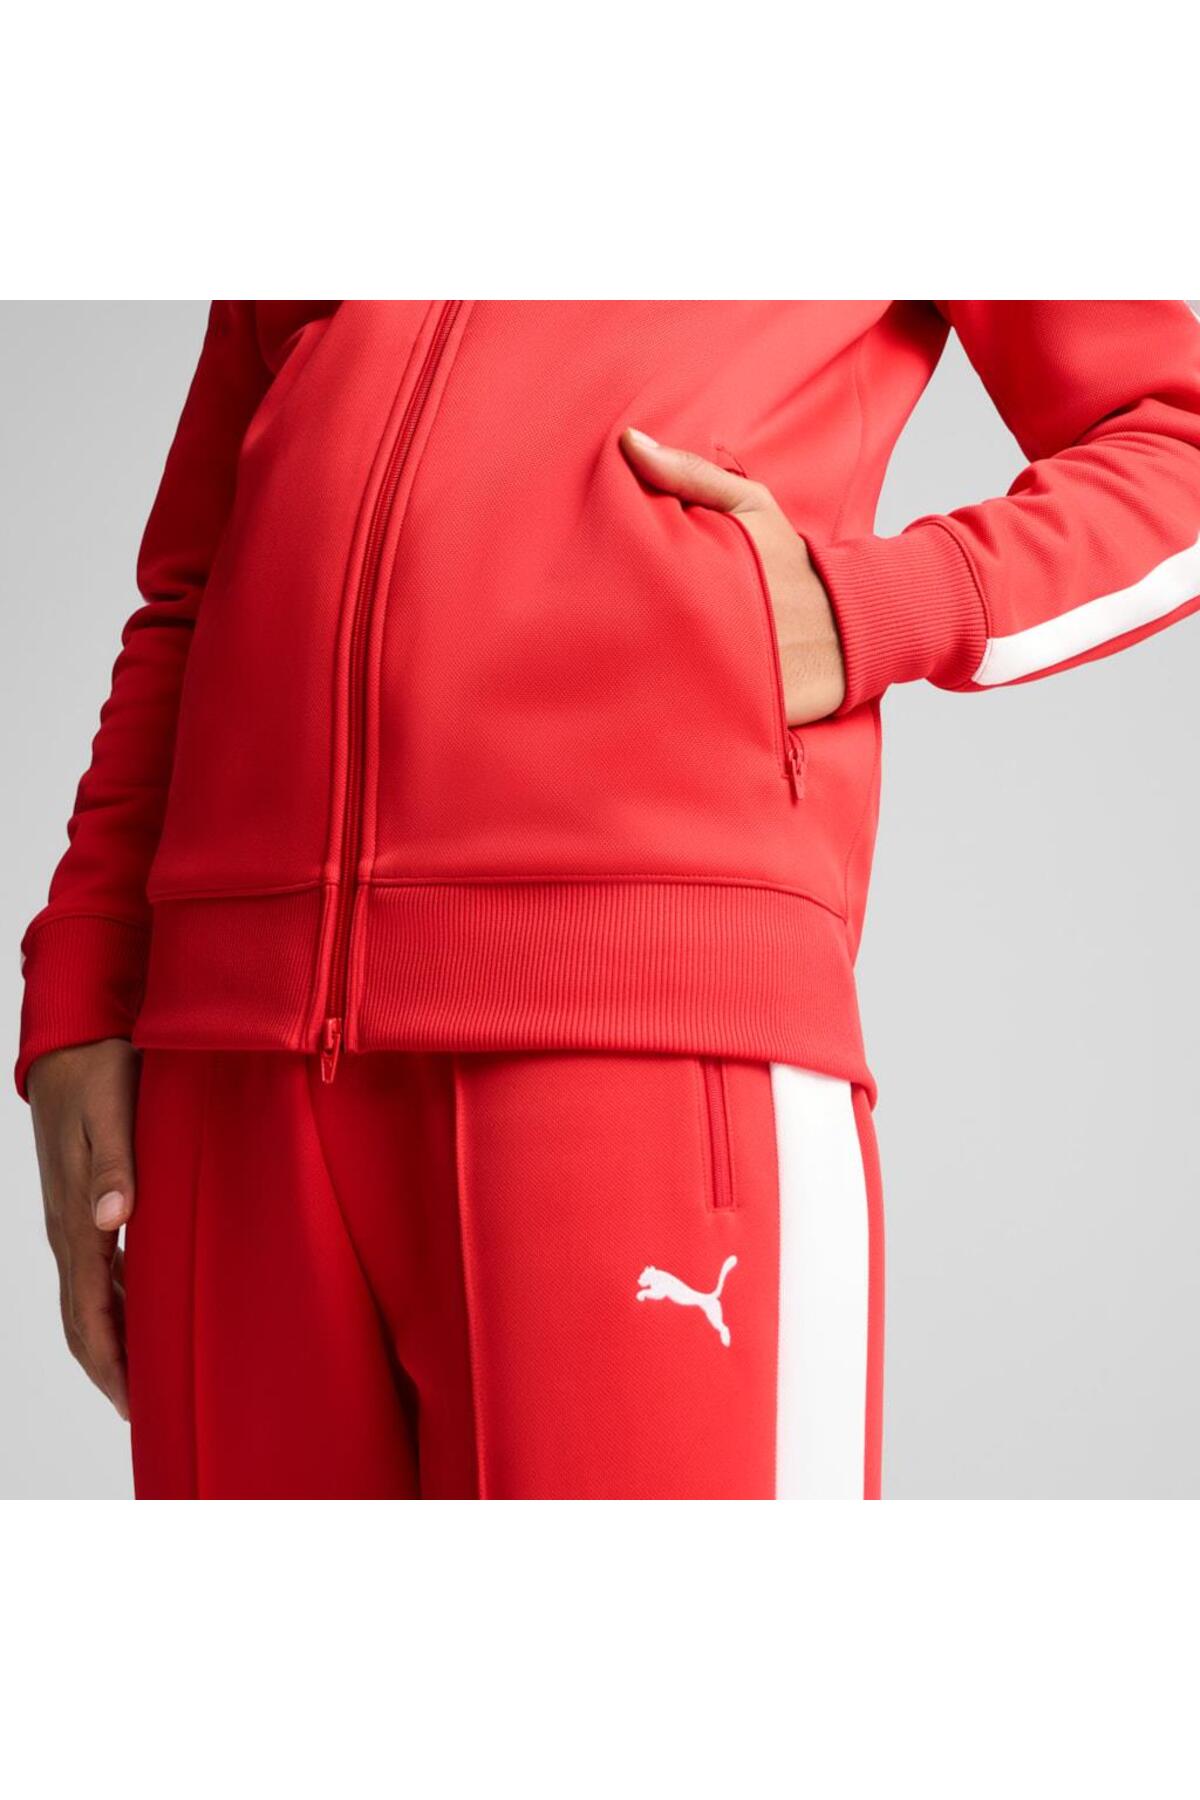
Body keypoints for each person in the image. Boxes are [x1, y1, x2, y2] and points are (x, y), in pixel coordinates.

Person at [19, 301, 1200, 1500]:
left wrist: (878, 606)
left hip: (639, 1030)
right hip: (231, 1067)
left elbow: (1179, 445)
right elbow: (194, 588)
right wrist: (81, 988)